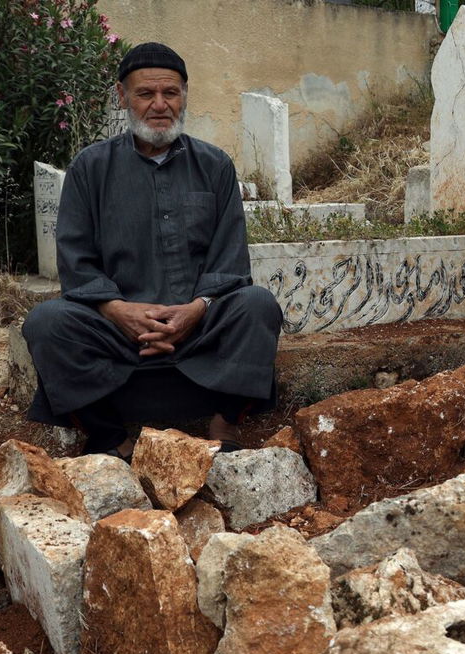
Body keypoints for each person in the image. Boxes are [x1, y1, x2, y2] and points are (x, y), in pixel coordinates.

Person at [22, 42, 283, 457]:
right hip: (116, 332)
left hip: (200, 330)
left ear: (184, 95)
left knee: (257, 305)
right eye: (146, 94)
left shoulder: (214, 165)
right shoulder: (90, 168)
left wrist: (195, 310)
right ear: (123, 97)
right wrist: (117, 311)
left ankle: (223, 428)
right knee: (47, 321)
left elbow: (230, 258)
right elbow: (76, 261)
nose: (160, 105)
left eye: (171, 93)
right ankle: (112, 439)